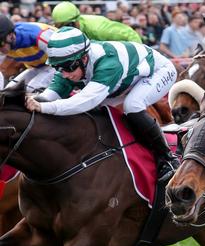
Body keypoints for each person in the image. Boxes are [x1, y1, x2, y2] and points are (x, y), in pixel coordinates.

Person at [24, 27, 178, 178]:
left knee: (132, 105)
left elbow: (84, 101)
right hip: (125, 80)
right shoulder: (71, 66)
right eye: (57, 67)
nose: (64, 74)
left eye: (67, 67)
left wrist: (44, 107)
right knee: (99, 110)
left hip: (158, 71)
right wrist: (32, 101)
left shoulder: (108, 63)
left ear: (84, 58)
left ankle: (167, 158)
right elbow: (49, 95)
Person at [0, 15, 57, 90]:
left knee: (32, 88)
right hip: (37, 67)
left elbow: (61, 59)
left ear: (11, 36)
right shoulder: (7, 42)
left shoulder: (36, 35)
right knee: (9, 90)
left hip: (57, 63)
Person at [51, 2, 141, 43]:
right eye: (60, 28)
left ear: (77, 21)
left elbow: (131, 35)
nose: (66, 30)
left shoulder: (98, 29)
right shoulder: (57, 32)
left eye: (68, 25)